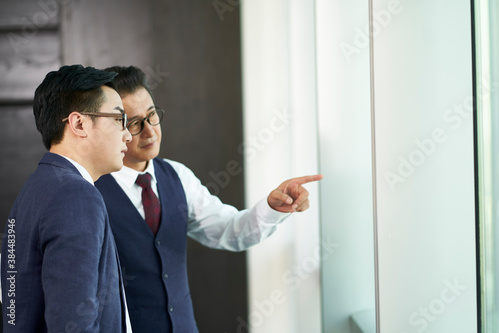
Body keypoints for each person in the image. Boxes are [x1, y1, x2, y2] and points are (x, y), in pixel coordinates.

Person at [95, 65, 322, 332]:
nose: (150, 131)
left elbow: (230, 230)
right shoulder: (92, 190)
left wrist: (273, 207)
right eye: (134, 123)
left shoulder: (178, 176)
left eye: (153, 115)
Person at [1, 65, 132, 332]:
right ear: (79, 123)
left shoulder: (35, 189)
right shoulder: (75, 196)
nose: (128, 134)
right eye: (120, 120)